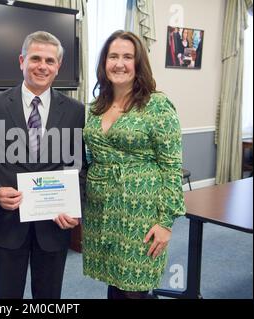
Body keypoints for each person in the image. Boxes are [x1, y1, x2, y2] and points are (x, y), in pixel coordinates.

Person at [0, 31, 87, 299]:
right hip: (7, 223)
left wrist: (74, 207)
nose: (42, 66)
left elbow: (78, 166)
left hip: (53, 225)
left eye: (50, 61)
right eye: (36, 58)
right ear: (22, 61)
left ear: (58, 67)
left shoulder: (75, 110)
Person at [82, 30, 185, 299]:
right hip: (103, 211)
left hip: (140, 213)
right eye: (113, 56)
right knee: (115, 282)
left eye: (128, 57)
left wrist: (165, 223)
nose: (119, 63)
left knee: (134, 289)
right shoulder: (96, 106)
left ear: (138, 63)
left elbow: (171, 167)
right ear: (104, 63)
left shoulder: (157, 106)